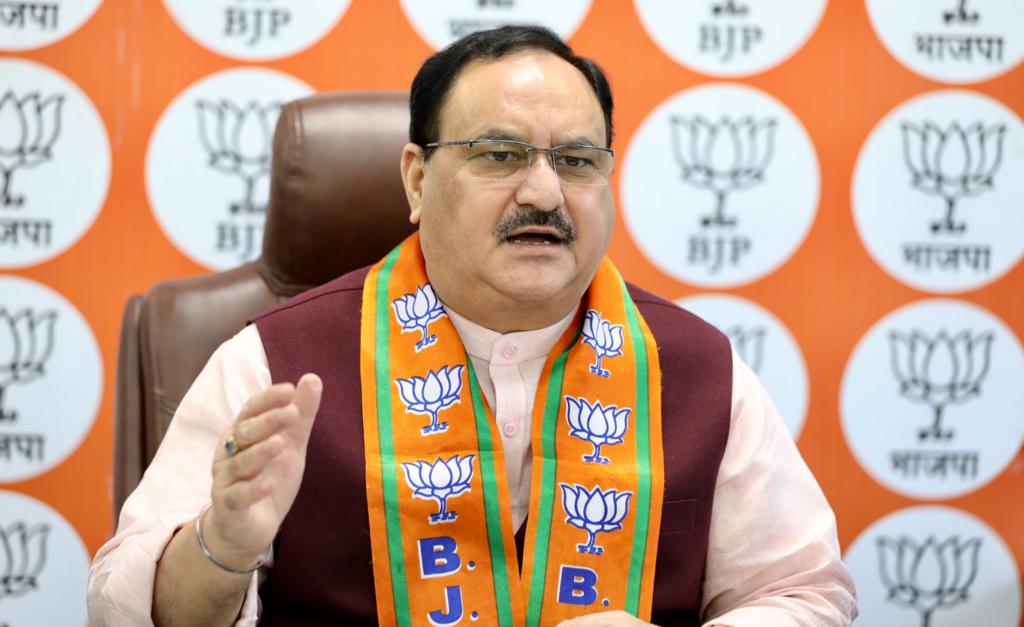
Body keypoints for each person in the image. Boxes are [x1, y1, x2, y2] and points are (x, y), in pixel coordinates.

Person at [89, 26, 856, 627]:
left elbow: (806, 591)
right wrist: (220, 548)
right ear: (418, 181)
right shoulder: (275, 363)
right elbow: (121, 608)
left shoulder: (694, 370)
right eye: (501, 154)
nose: (546, 191)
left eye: (580, 161)